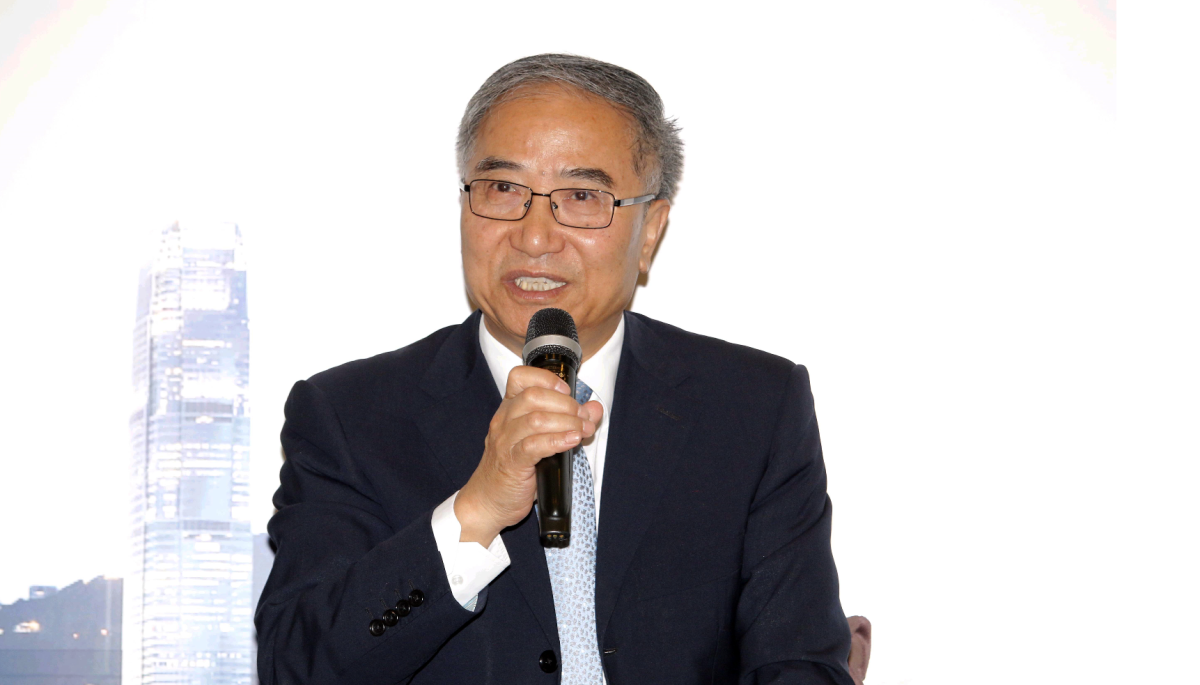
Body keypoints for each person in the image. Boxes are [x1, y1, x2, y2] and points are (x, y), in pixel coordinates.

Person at [256, 53, 856, 684]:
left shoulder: (753, 407)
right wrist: (474, 513)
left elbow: (800, 664)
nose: (535, 236)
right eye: (502, 190)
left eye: (582, 196)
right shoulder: (349, 416)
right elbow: (298, 669)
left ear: (651, 230)